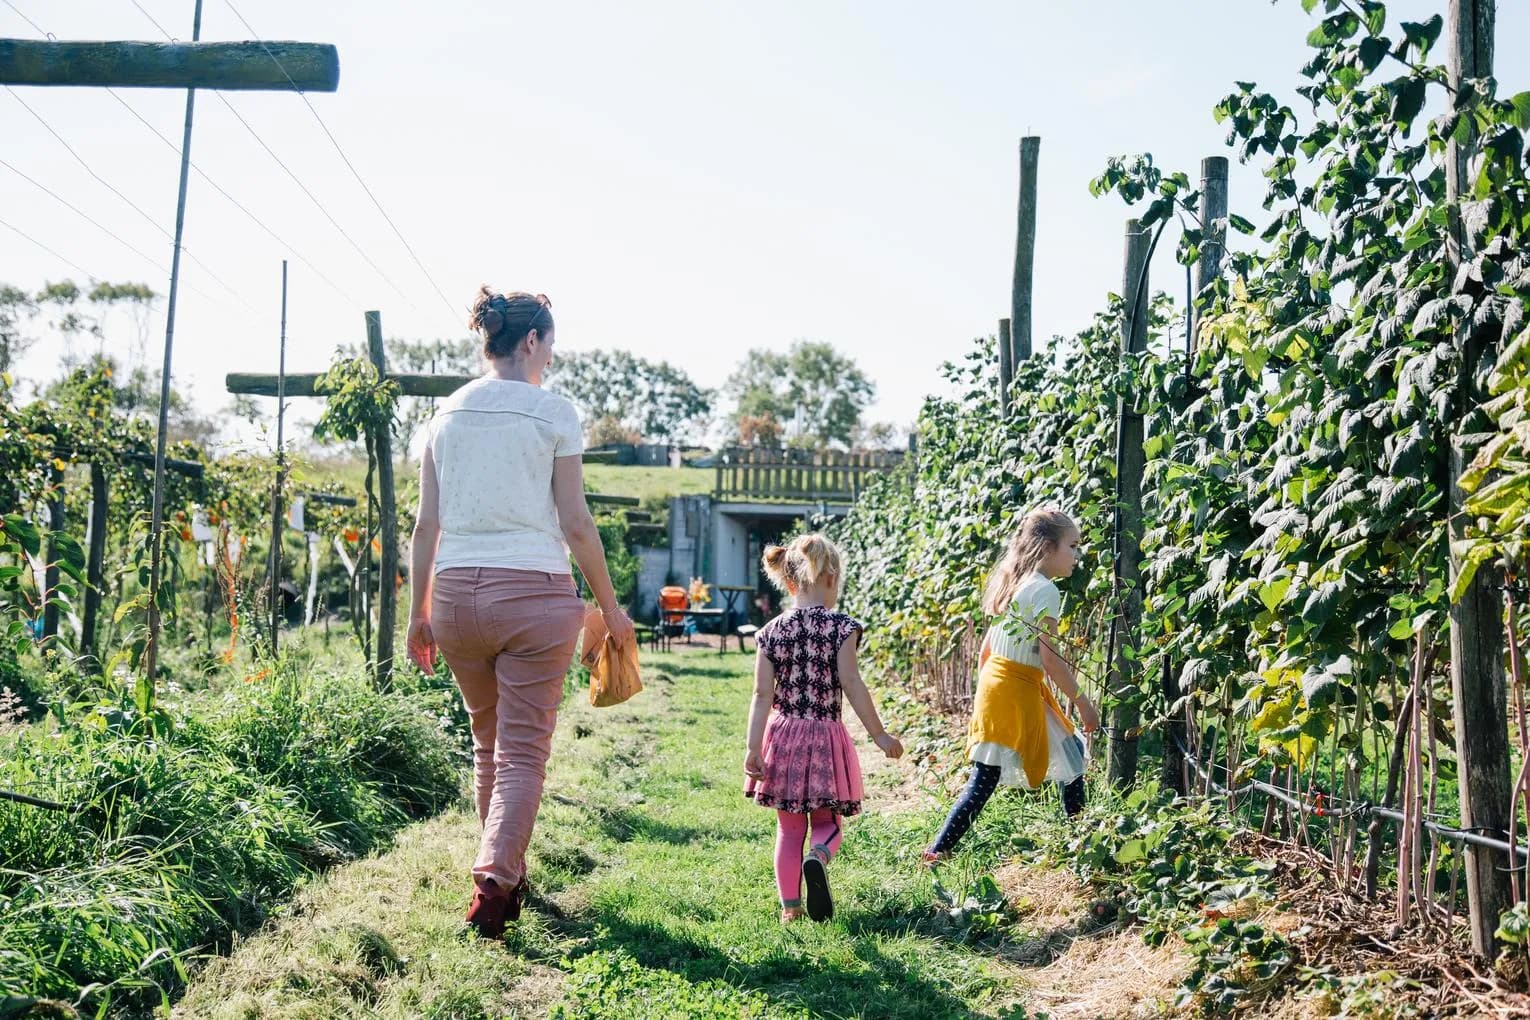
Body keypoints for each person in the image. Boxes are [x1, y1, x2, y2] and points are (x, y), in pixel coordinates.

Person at [405, 286, 635, 938]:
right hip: (533, 595)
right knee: (524, 753)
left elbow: (426, 527)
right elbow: (577, 523)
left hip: (454, 598)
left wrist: (417, 614)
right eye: (551, 346)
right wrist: (612, 609)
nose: (552, 360)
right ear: (531, 342)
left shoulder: (442, 416)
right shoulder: (552, 412)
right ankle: (494, 884)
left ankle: (505, 869)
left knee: (490, 745)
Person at [923, 509, 1099, 865]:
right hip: (1014, 686)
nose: (1076, 556)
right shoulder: (1046, 591)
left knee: (1060, 756)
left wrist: (988, 690)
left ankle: (938, 850)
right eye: (1073, 546)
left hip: (999, 681)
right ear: (1048, 547)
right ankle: (1084, 847)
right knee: (1002, 772)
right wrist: (1083, 703)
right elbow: (1050, 660)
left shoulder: (1018, 582)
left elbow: (987, 646)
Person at [743, 534, 904, 923]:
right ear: (831, 578)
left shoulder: (771, 632)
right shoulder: (842, 628)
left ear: (789, 581)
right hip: (824, 737)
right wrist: (879, 735)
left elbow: (761, 694)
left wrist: (752, 748)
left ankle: (790, 909)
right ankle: (818, 857)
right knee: (828, 822)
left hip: (783, 737)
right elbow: (852, 682)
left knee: (788, 828)